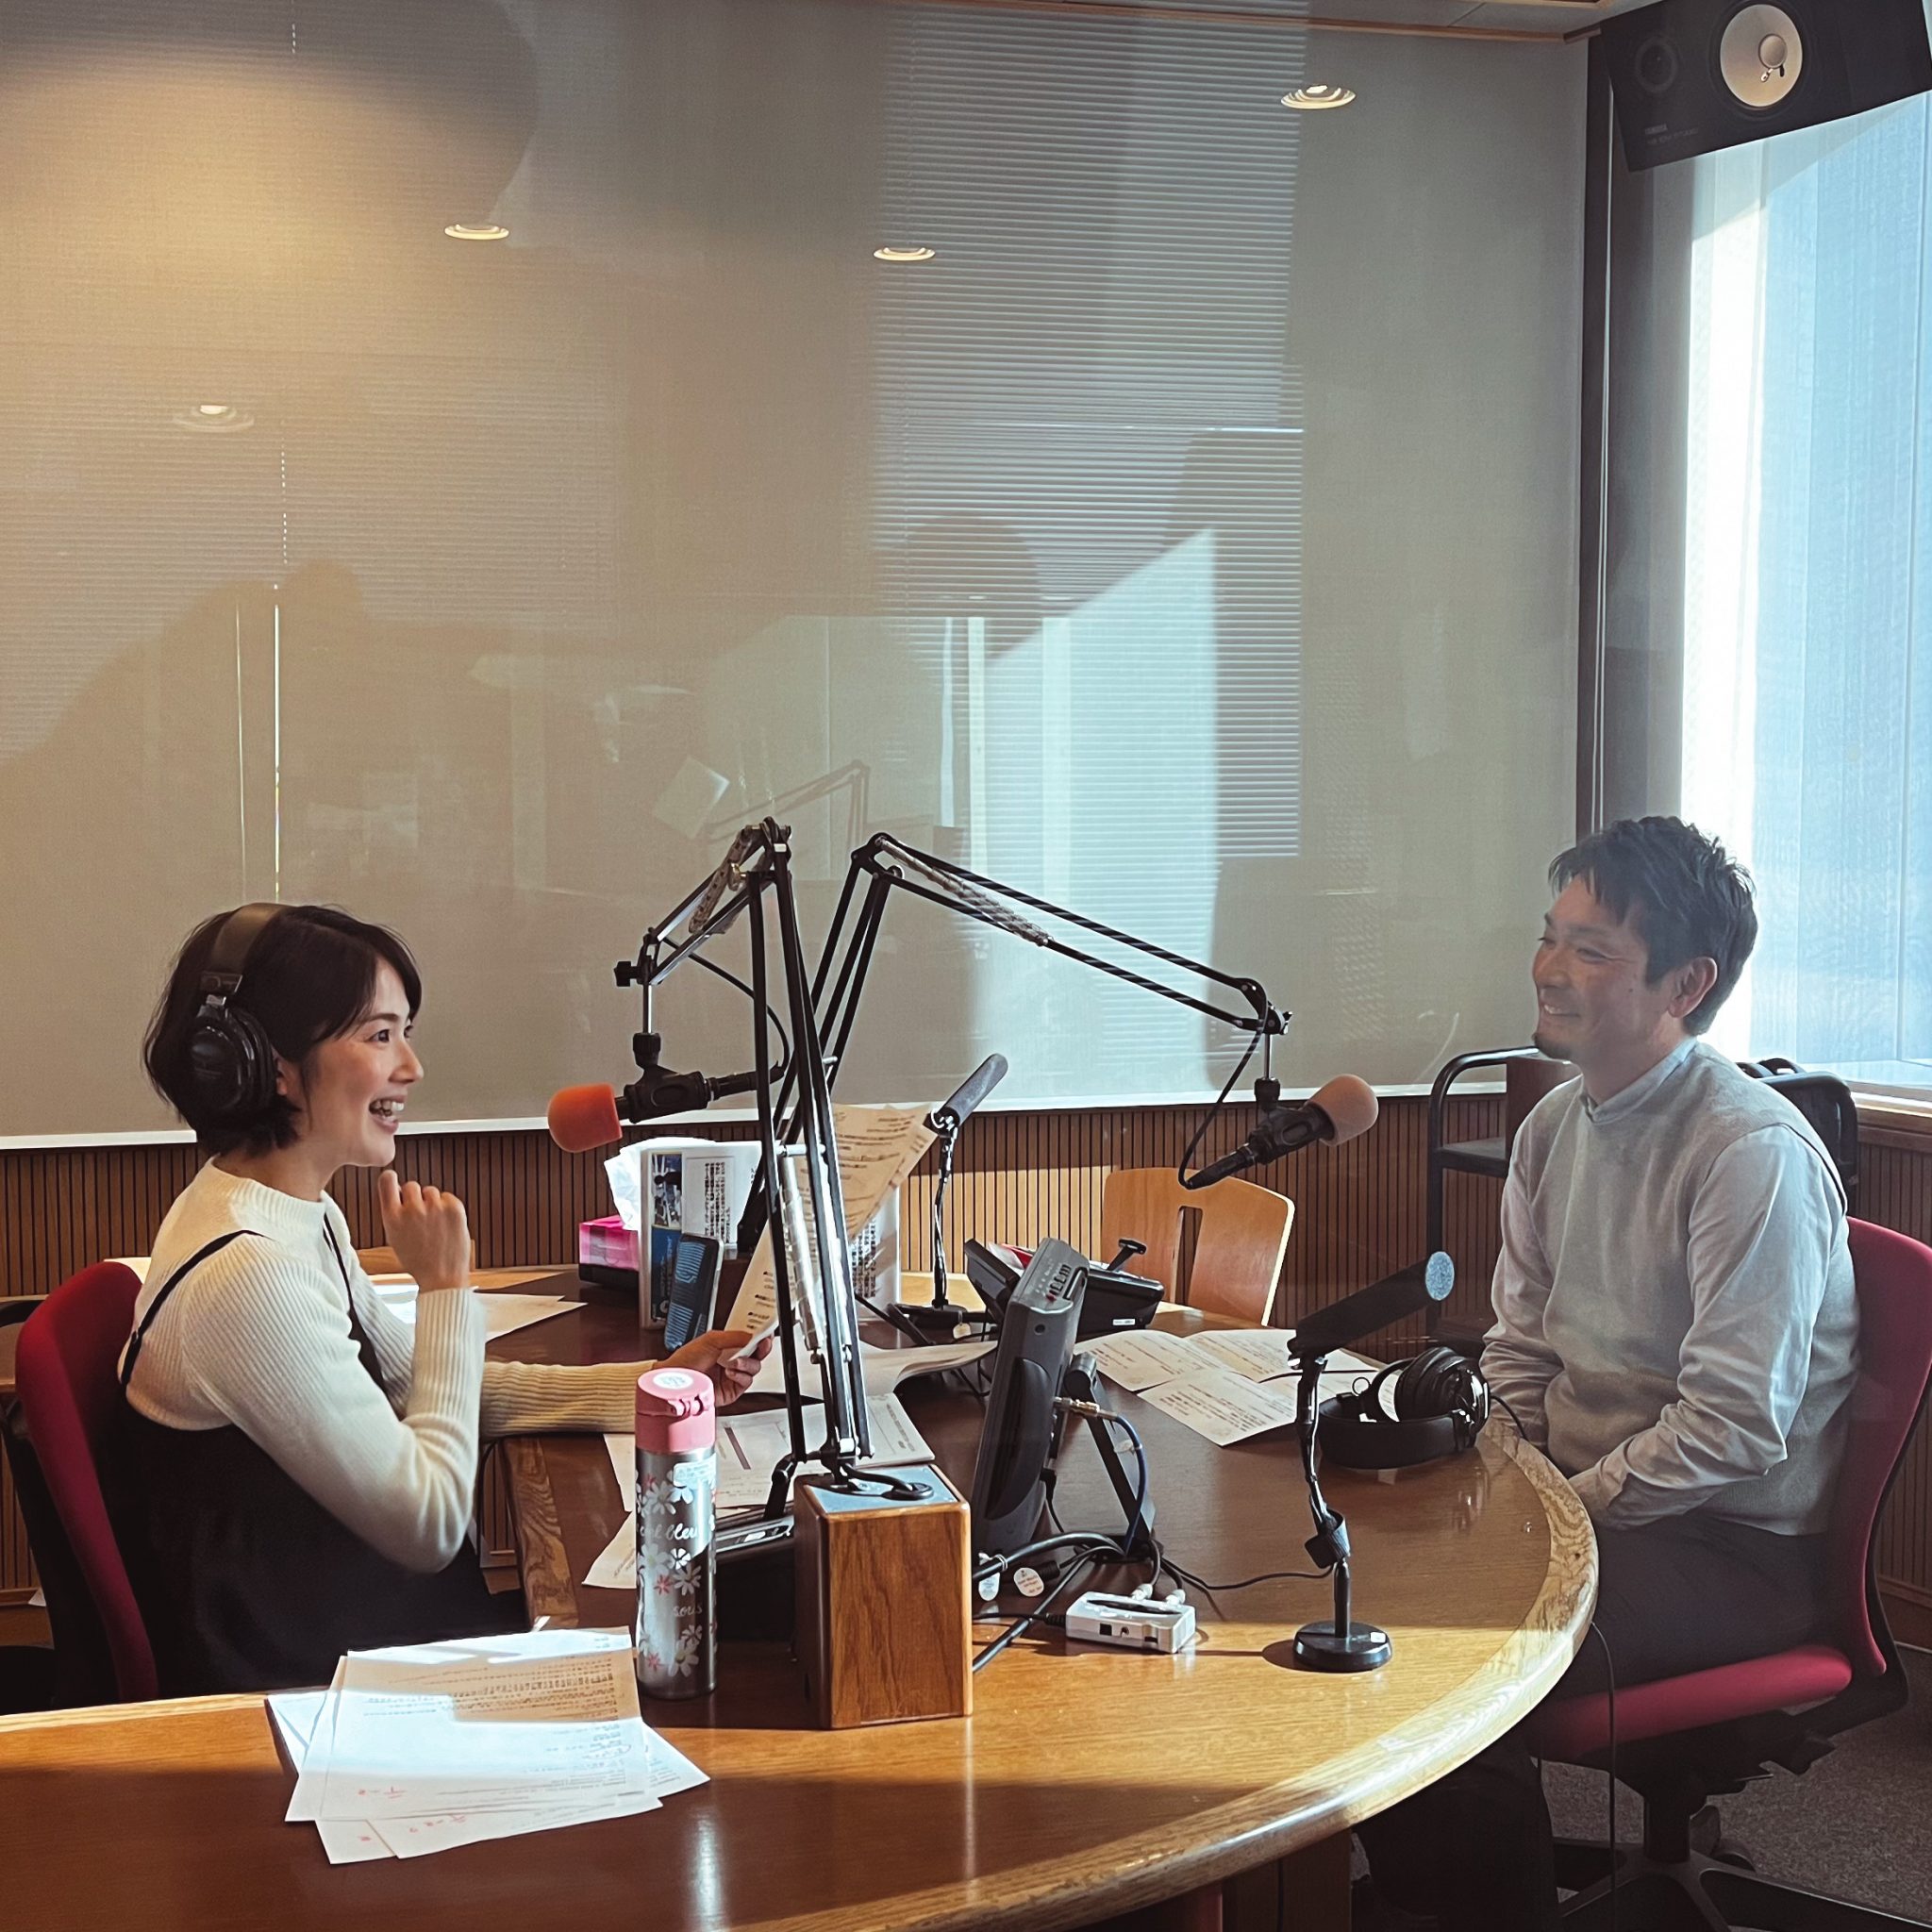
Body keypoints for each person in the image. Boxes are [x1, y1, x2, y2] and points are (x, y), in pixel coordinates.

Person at [1357, 816, 1858, 1931]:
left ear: (1686, 982)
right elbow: (1519, 1346)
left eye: (1590, 949)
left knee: (1432, 1664)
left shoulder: (1747, 1152)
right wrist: (1499, 1486)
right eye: (1549, 935)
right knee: (1356, 1586)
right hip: (1594, 1509)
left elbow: (1730, 1428)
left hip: (1731, 1547)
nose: (1548, 967)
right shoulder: (1551, 1125)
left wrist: (1554, 1524)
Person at [125, 902, 771, 1694]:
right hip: (315, 1683)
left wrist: (656, 1386)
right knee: (712, 1663)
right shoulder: (248, 1275)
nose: (411, 1068)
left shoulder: (288, 1210)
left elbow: (427, 1387)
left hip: (356, 1623)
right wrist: (444, 1290)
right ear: (268, 1064)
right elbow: (427, 1524)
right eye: (380, 1036)